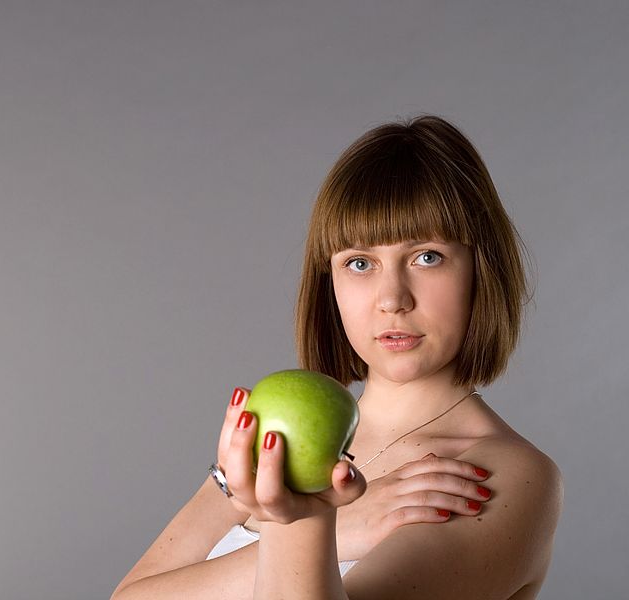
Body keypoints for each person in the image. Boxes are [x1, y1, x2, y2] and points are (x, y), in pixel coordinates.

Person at [111, 114, 562, 599]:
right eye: (360, 263)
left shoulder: (504, 475)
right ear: (330, 284)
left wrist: (302, 522)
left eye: (427, 256)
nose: (392, 298)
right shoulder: (276, 437)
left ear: (481, 269)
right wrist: (343, 527)